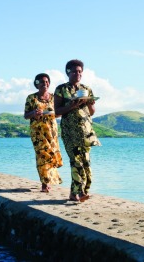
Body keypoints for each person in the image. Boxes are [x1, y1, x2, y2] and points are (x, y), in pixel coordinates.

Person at [54, 59, 100, 202]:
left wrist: (90, 103)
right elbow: (56, 112)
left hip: (86, 131)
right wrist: (72, 105)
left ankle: (77, 193)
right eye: (74, 71)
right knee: (76, 162)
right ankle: (78, 193)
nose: (78, 74)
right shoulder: (61, 89)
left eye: (80, 71)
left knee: (86, 163)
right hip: (70, 131)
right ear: (68, 72)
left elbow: (91, 112)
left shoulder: (86, 89)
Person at [24, 73, 63, 193]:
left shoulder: (53, 97)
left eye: (47, 82)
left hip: (52, 131)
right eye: (41, 82)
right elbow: (26, 115)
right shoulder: (31, 98)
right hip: (38, 132)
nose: (44, 84)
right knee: (42, 156)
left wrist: (53, 113)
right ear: (36, 84)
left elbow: (59, 113)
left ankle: (49, 180)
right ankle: (44, 184)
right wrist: (34, 113)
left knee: (51, 154)